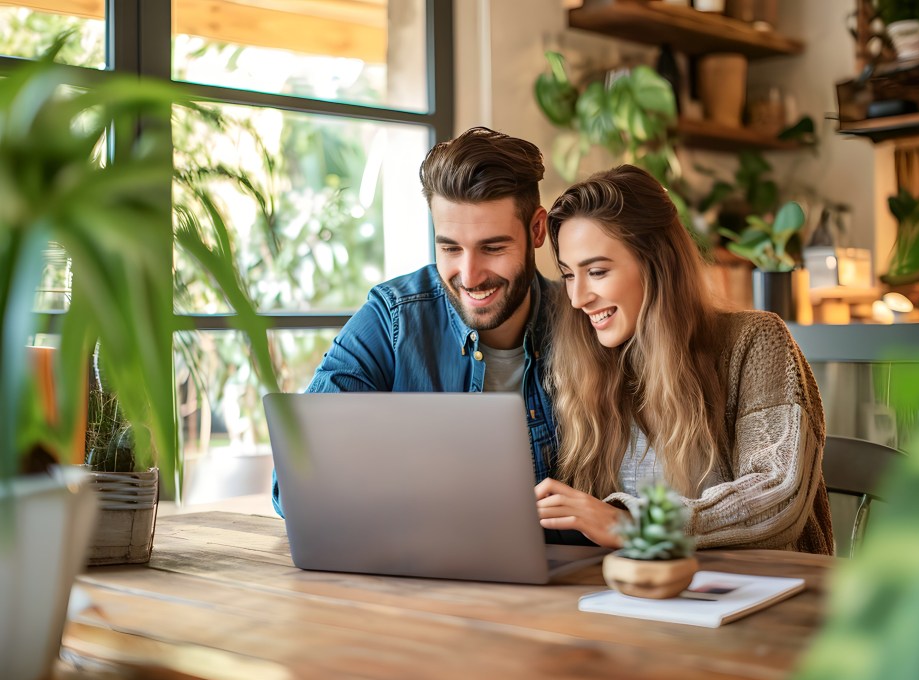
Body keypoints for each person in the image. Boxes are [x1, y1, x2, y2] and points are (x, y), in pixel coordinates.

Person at [535, 165, 833, 555]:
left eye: (596, 271)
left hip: (765, 594)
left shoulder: (756, 343)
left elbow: (775, 495)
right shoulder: (587, 367)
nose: (578, 298)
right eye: (568, 275)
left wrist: (636, 525)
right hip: (641, 597)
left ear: (658, 264)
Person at [272, 127, 560, 516]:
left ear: (537, 230)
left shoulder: (582, 322)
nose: (470, 275)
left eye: (493, 248)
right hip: (415, 572)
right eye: (450, 248)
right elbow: (293, 483)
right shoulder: (393, 318)